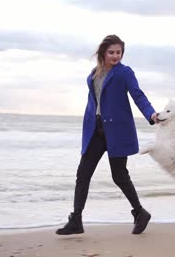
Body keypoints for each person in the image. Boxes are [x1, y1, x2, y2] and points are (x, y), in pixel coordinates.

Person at [56, 34, 158, 235]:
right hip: (96, 130)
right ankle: (76, 219)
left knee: (119, 175)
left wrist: (151, 113)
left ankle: (139, 212)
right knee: (83, 174)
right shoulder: (95, 73)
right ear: (103, 52)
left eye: (118, 52)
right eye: (111, 52)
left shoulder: (124, 73)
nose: (115, 56)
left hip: (117, 131)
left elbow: (138, 95)